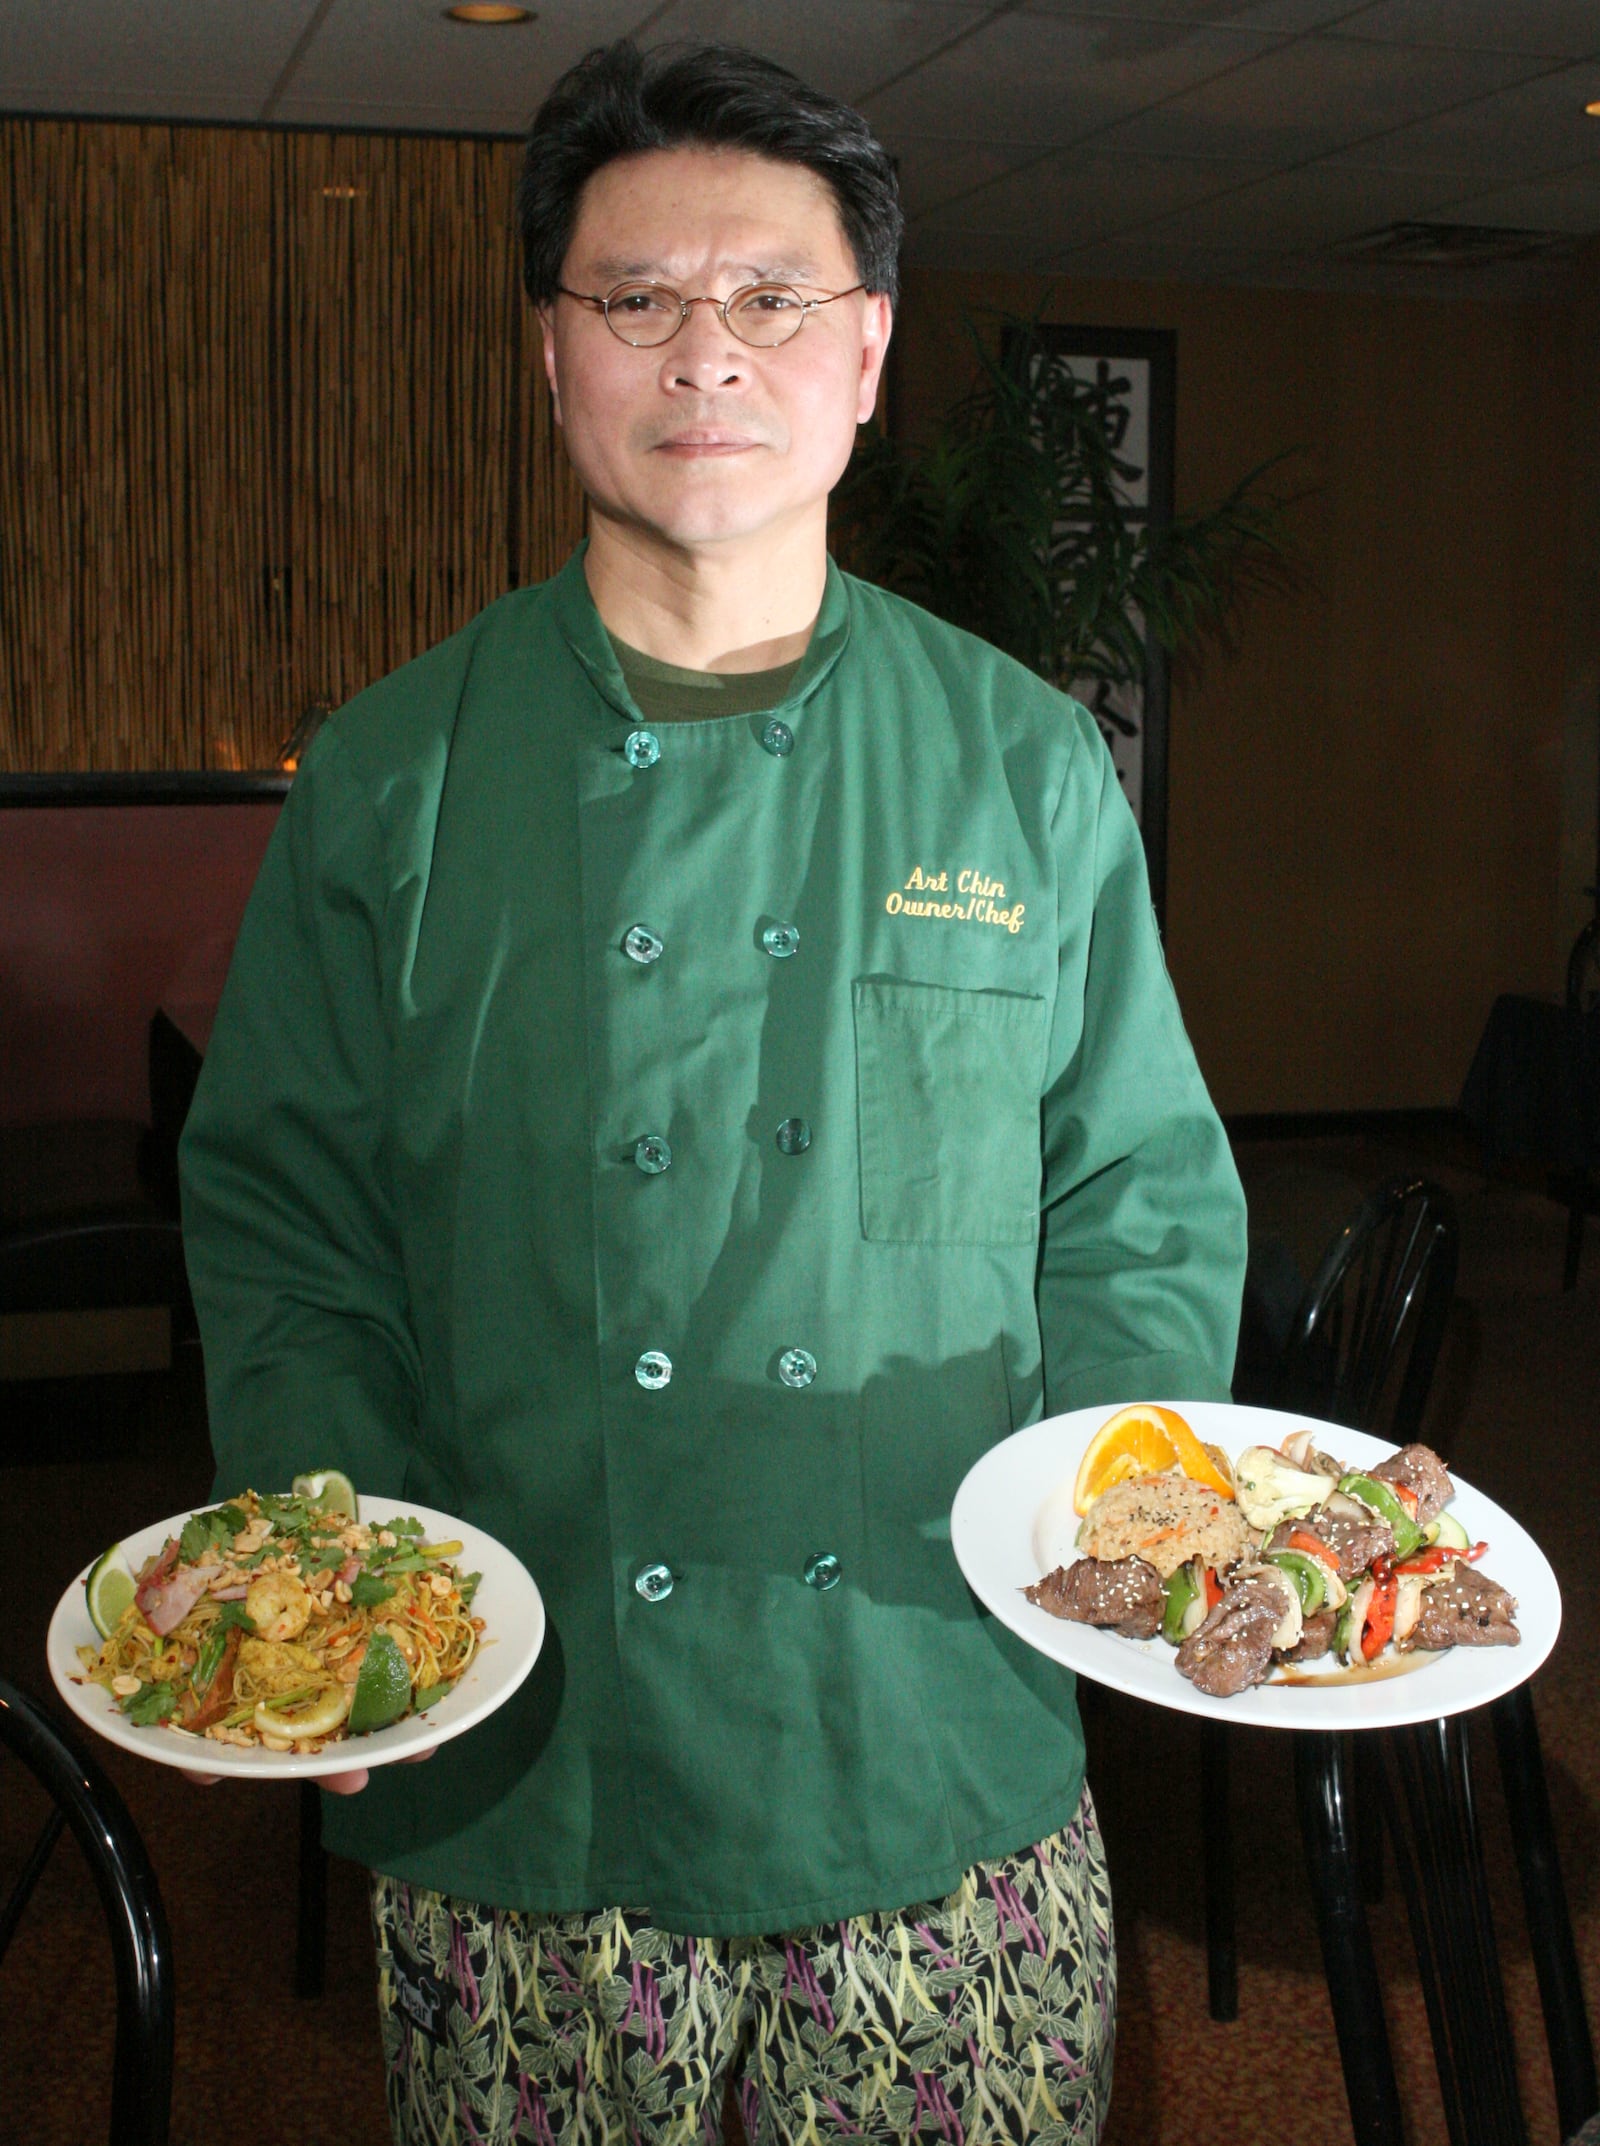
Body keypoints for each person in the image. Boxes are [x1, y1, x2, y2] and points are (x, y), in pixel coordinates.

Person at [180, 37, 1246, 2146]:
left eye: (768, 299)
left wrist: (1110, 1530)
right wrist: (363, 1574)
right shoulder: (391, 771)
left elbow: (1137, 1189)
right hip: (532, 1753)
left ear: (862, 354)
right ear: (549, 355)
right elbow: (287, 1219)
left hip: (933, 1729)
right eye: (633, 299)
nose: (703, 353)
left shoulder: (1018, 760)